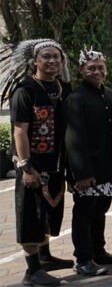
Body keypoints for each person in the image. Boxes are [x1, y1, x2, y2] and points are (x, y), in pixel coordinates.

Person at [1, 39, 73, 286]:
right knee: (31, 217)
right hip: (33, 168)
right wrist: (25, 167)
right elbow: (19, 131)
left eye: (56, 56)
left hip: (56, 165)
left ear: (62, 61)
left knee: (49, 214)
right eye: (46, 57)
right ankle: (32, 272)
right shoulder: (25, 90)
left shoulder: (63, 88)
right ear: (35, 62)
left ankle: (45, 258)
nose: (52, 61)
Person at [65, 49, 112, 277]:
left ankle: (98, 251)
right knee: (84, 214)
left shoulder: (109, 94)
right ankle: (83, 259)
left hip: (106, 167)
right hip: (87, 171)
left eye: (100, 67)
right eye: (91, 68)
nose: (96, 71)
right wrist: (82, 173)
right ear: (81, 70)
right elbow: (74, 139)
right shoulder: (75, 99)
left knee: (101, 210)